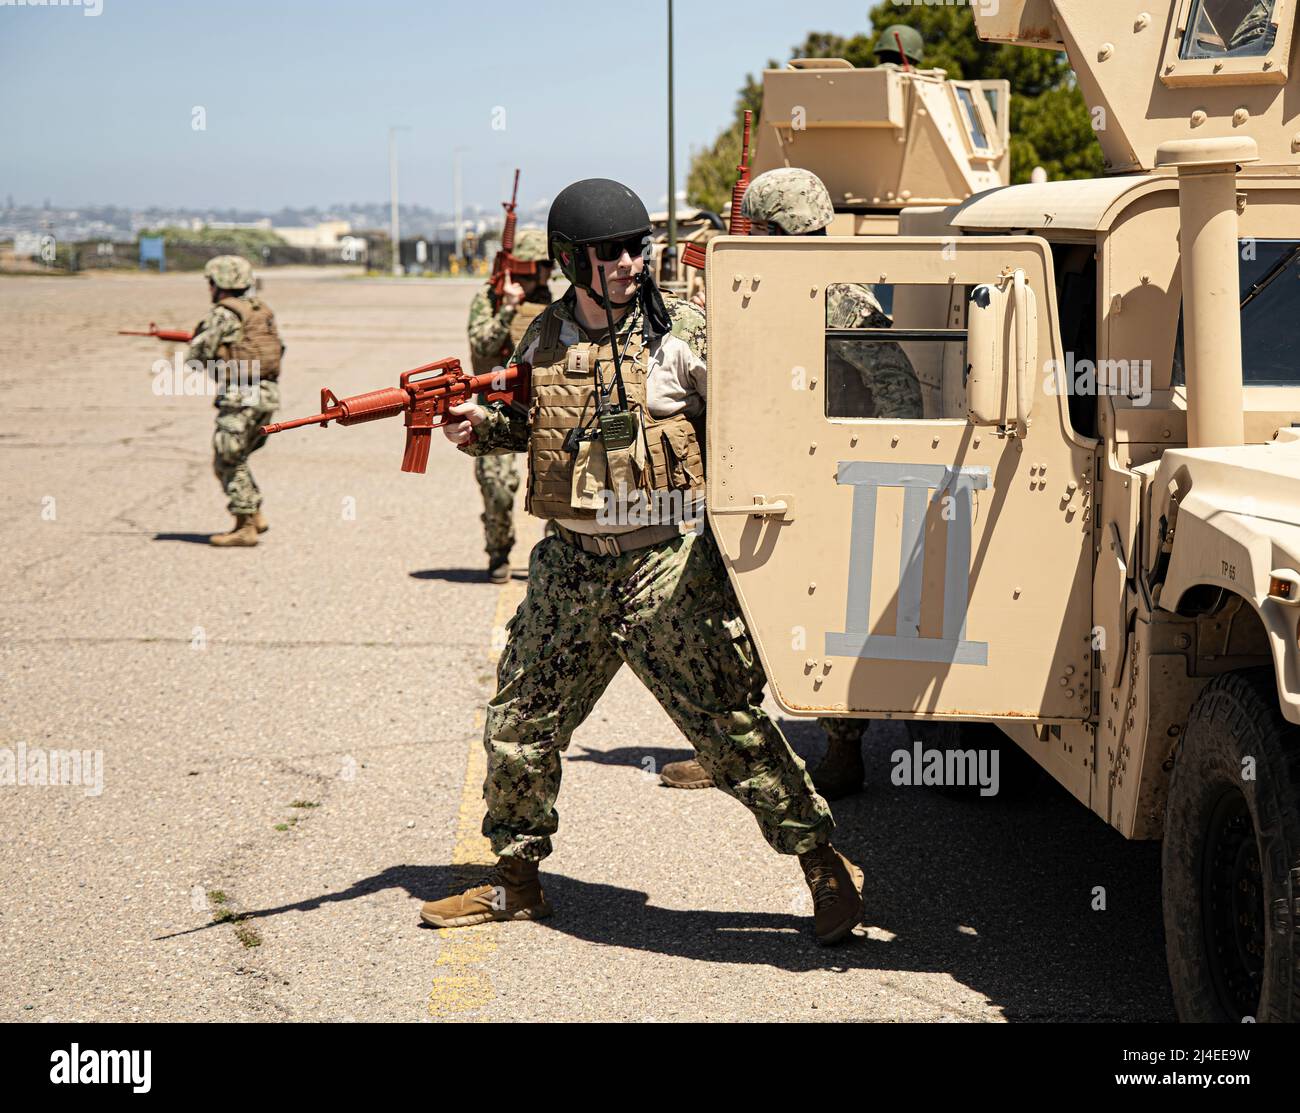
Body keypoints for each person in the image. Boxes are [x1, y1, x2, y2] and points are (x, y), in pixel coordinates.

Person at [419, 178, 864, 945]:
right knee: (520, 723)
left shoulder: (685, 330)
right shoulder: (544, 335)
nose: (630, 260)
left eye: (636, 246)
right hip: (570, 562)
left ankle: (826, 867)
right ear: (571, 262)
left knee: (729, 731)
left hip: (667, 562)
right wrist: (478, 427)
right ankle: (518, 881)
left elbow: (756, 427)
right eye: (611, 251)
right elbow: (532, 425)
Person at [660, 167, 923, 800]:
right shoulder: (761, 287)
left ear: (780, 228)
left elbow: (899, 390)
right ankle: (734, 750)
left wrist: (881, 468)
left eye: (754, 226)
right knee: (726, 609)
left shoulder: (842, 299)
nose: (741, 235)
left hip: (824, 479)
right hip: (754, 472)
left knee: (831, 609)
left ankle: (841, 749)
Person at [465, 229, 555, 582]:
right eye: (543, 265)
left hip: (539, 403)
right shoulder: (489, 297)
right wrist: (507, 309)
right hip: (494, 403)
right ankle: (498, 551)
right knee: (498, 488)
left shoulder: (548, 298)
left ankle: (557, 553)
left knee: (557, 481)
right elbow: (482, 343)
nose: (549, 272)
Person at [185, 254, 284, 548]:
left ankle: (245, 526)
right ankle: (254, 513)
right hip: (267, 396)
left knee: (227, 459)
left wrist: (218, 362)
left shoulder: (223, 314)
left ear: (221, 283)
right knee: (236, 456)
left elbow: (197, 357)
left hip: (241, 397)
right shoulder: (260, 310)